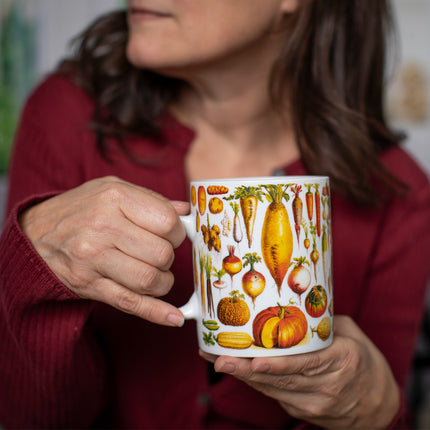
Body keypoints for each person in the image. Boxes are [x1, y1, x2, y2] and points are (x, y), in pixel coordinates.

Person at [1, 0, 429, 428]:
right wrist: (30, 263)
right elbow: (30, 416)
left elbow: (375, 404)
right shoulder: (65, 118)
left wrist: (377, 411)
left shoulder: (398, 191)